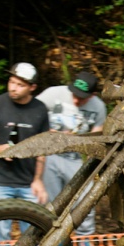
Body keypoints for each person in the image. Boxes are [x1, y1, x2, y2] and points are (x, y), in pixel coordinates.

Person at [0, 62, 50, 242]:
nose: (13, 88)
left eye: (20, 85)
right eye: (11, 82)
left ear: (32, 87)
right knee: (1, 234)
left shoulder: (40, 109)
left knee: (32, 234)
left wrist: (38, 180)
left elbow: (43, 148)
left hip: (28, 182)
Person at [36, 71, 107, 236]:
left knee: (86, 195)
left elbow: (97, 136)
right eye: (74, 94)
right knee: (50, 201)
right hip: (49, 155)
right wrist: (47, 131)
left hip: (74, 157)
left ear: (92, 95)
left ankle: (85, 238)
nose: (76, 100)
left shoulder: (98, 107)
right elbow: (32, 113)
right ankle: (46, 238)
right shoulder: (53, 93)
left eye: (82, 97)